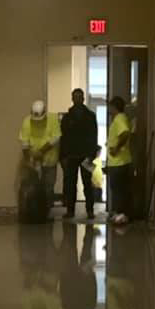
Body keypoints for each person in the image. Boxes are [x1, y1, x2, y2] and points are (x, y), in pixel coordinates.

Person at [60, 89, 99, 220]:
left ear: (83, 98)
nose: (77, 99)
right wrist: (63, 156)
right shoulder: (67, 117)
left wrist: (92, 155)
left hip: (87, 155)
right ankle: (70, 210)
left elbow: (94, 136)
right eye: (75, 97)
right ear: (72, 99)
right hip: (71, 155)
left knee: (88, 184)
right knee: (70, 185)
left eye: (80, 97)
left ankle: (90, 210)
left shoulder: (91, 116)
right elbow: (63, 138)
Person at [18, 99, 61, 212]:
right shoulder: (27, 122)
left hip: (50, 159)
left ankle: (46, 212)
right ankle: (32, 211)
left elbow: (56, 138)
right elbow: (24, 144)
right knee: (32, 186)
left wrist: (41, 151)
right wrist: (29, 160)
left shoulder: (53, 119)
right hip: (33, 159)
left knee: (48, 187)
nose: (37, 122)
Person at [105, 95, 133, 226]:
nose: (109, 110)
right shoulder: (121, 118)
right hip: (120, 161)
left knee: (118, 189)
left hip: (119, 162)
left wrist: (116, 148)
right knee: (119, 188)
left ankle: (121, 214)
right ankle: (120, 213)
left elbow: (125, 133)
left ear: (114, 107)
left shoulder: (119, 119)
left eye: (110, 107)